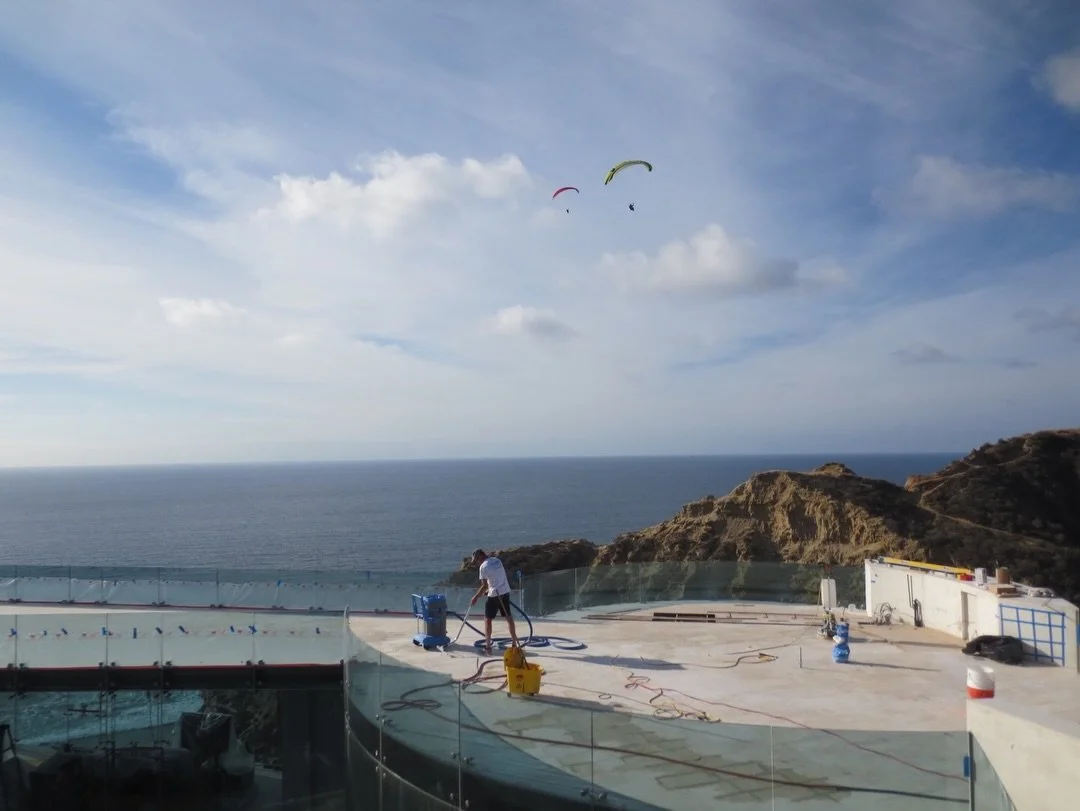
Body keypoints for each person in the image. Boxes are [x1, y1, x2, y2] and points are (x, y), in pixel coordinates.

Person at [469, 548, 520, 653]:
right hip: (505, 591)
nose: (477, 563)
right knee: (508, 617)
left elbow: (483, 585)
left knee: (487, 619)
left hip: (495, 595)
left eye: (477, 560)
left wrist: (475, 597)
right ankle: (514, 642)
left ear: (480, 557)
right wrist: (489, 589)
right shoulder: (497, 560)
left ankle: (488, 645)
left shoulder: (483, 567)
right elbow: (497, 578)